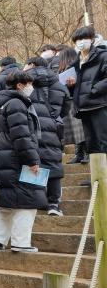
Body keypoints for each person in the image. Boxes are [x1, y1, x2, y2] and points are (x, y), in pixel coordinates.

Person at [0, 70, 48, 252]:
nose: (31, 88)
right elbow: (22, 135)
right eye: (29, 84)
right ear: (20, 85)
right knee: (28, 202)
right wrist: (32, 159)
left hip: (7, 159)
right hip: (18, 160)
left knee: (7, 203)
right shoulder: (17, 103)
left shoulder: (5, 103)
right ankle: (20, 243)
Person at [23, 57, 70, 215]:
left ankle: (36, 200)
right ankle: (53, 204)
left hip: (31, 126)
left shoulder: (26, 81)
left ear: (32, 65)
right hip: (53, 127)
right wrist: (54, 116)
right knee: (54, 162)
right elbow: (67, 104)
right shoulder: (58, 82)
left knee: (34, 160)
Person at [67, 26, 107, 158]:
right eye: (77, 40)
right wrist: (71, 86)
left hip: (100, 104)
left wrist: (94, 89)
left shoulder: (103, 55)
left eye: (84, 38)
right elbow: (75, 87)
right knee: (91, 145)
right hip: (83, 107)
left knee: (103, 141)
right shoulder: (75, 63)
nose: (81, 42)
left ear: (91, 39)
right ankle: (97, 177)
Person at [59, 48, 88, 164]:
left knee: (81, 132)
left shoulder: (76, 68)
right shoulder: (71, 68)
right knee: (79, 133)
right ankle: (79, 154)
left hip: (75, 102)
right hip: (72, 102)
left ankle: (84, 154)